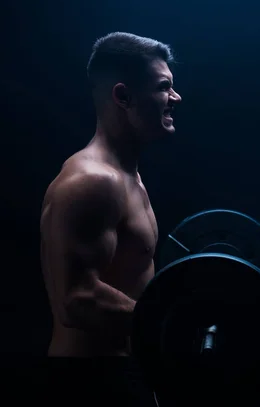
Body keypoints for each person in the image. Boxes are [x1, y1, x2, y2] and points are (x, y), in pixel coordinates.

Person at [41, 32, 182, 358]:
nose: (176, 97)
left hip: (123, 377)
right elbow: (76, 299)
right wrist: (175, 323)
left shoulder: (124, 175)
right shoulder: (93, 182)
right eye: (163, 87)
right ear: (123, 97)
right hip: (89, 387)